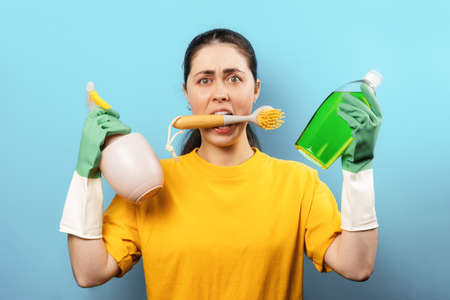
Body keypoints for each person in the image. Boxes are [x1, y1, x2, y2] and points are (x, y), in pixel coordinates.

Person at [60, 28, 381, 299]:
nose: (220, 94)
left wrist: (359, 171)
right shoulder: (148, 183)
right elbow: (89, 273)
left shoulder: (299, 183)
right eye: (204, 81)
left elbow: (357, 266)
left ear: (255, 90)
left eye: (234, 78)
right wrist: (85, 176)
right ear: (186, 93)